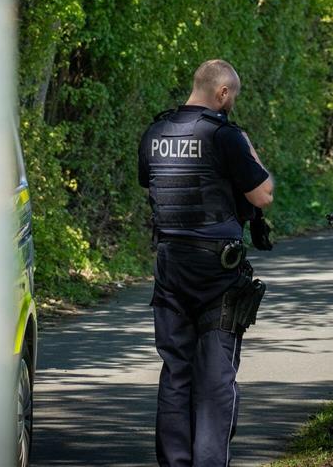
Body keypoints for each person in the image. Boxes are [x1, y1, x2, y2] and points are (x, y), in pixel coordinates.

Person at [138, 59, 274, 467]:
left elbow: (151, 182)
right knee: (215, 379)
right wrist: (250, 151)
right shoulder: (225, 136)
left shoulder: (155, 133)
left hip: (169, 268)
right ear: (222, 93)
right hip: (217, 272)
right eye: (233, 96)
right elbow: (262, 195)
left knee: (176, 373)